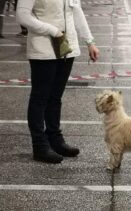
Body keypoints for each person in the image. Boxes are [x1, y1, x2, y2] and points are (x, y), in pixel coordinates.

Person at [16, 0, 99, 164]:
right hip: (43, 48)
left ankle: (55, 139)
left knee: (55, 98)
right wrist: (52, 30)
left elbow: (77, 11)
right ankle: (39, 145)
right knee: (40, 99)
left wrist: (90, 41)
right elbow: (22, 16)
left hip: (67, 48)